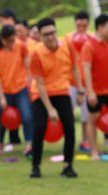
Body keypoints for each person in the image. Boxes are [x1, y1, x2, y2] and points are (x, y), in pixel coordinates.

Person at [29, 18, 84, 179]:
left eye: (52, 33)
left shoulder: (67, 45)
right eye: (46, 35)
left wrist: (80, 90)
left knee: (70, 127)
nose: (50, 37)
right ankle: (36, 166)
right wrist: (50, 109)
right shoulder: (36, 53)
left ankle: (68, 165)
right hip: (41, 94)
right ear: (39, 36)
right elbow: (39, 84)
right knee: (39, 128)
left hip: (61, 91)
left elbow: (74, 68)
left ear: (56, 32)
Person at [0, 25, 33, 156]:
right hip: (3, 90)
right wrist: (2, 97)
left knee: (26, 116)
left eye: (13, 39)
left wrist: (30, 87)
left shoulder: (21, 46)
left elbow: (28, 68)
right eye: (9, 40)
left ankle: (29, 145)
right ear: (2, 40)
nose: (12, 43)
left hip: (20, 89)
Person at [82, 13, 108, 159]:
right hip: (96, 91)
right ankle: (94, 152)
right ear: (101, 27)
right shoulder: (89, 45)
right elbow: (86, 69)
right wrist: (90, 92)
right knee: (93, 120)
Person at [66, 11, 92, 153]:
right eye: (79, 22)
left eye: (84, 22)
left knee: (86, 115)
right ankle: (69, 141)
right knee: (67, 114)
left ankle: (85, 141)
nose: (81, 25)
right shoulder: (68, 38)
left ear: (88, 23)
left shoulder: (92, 38)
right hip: (70, 82)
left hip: (87, 83)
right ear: (75, 22)